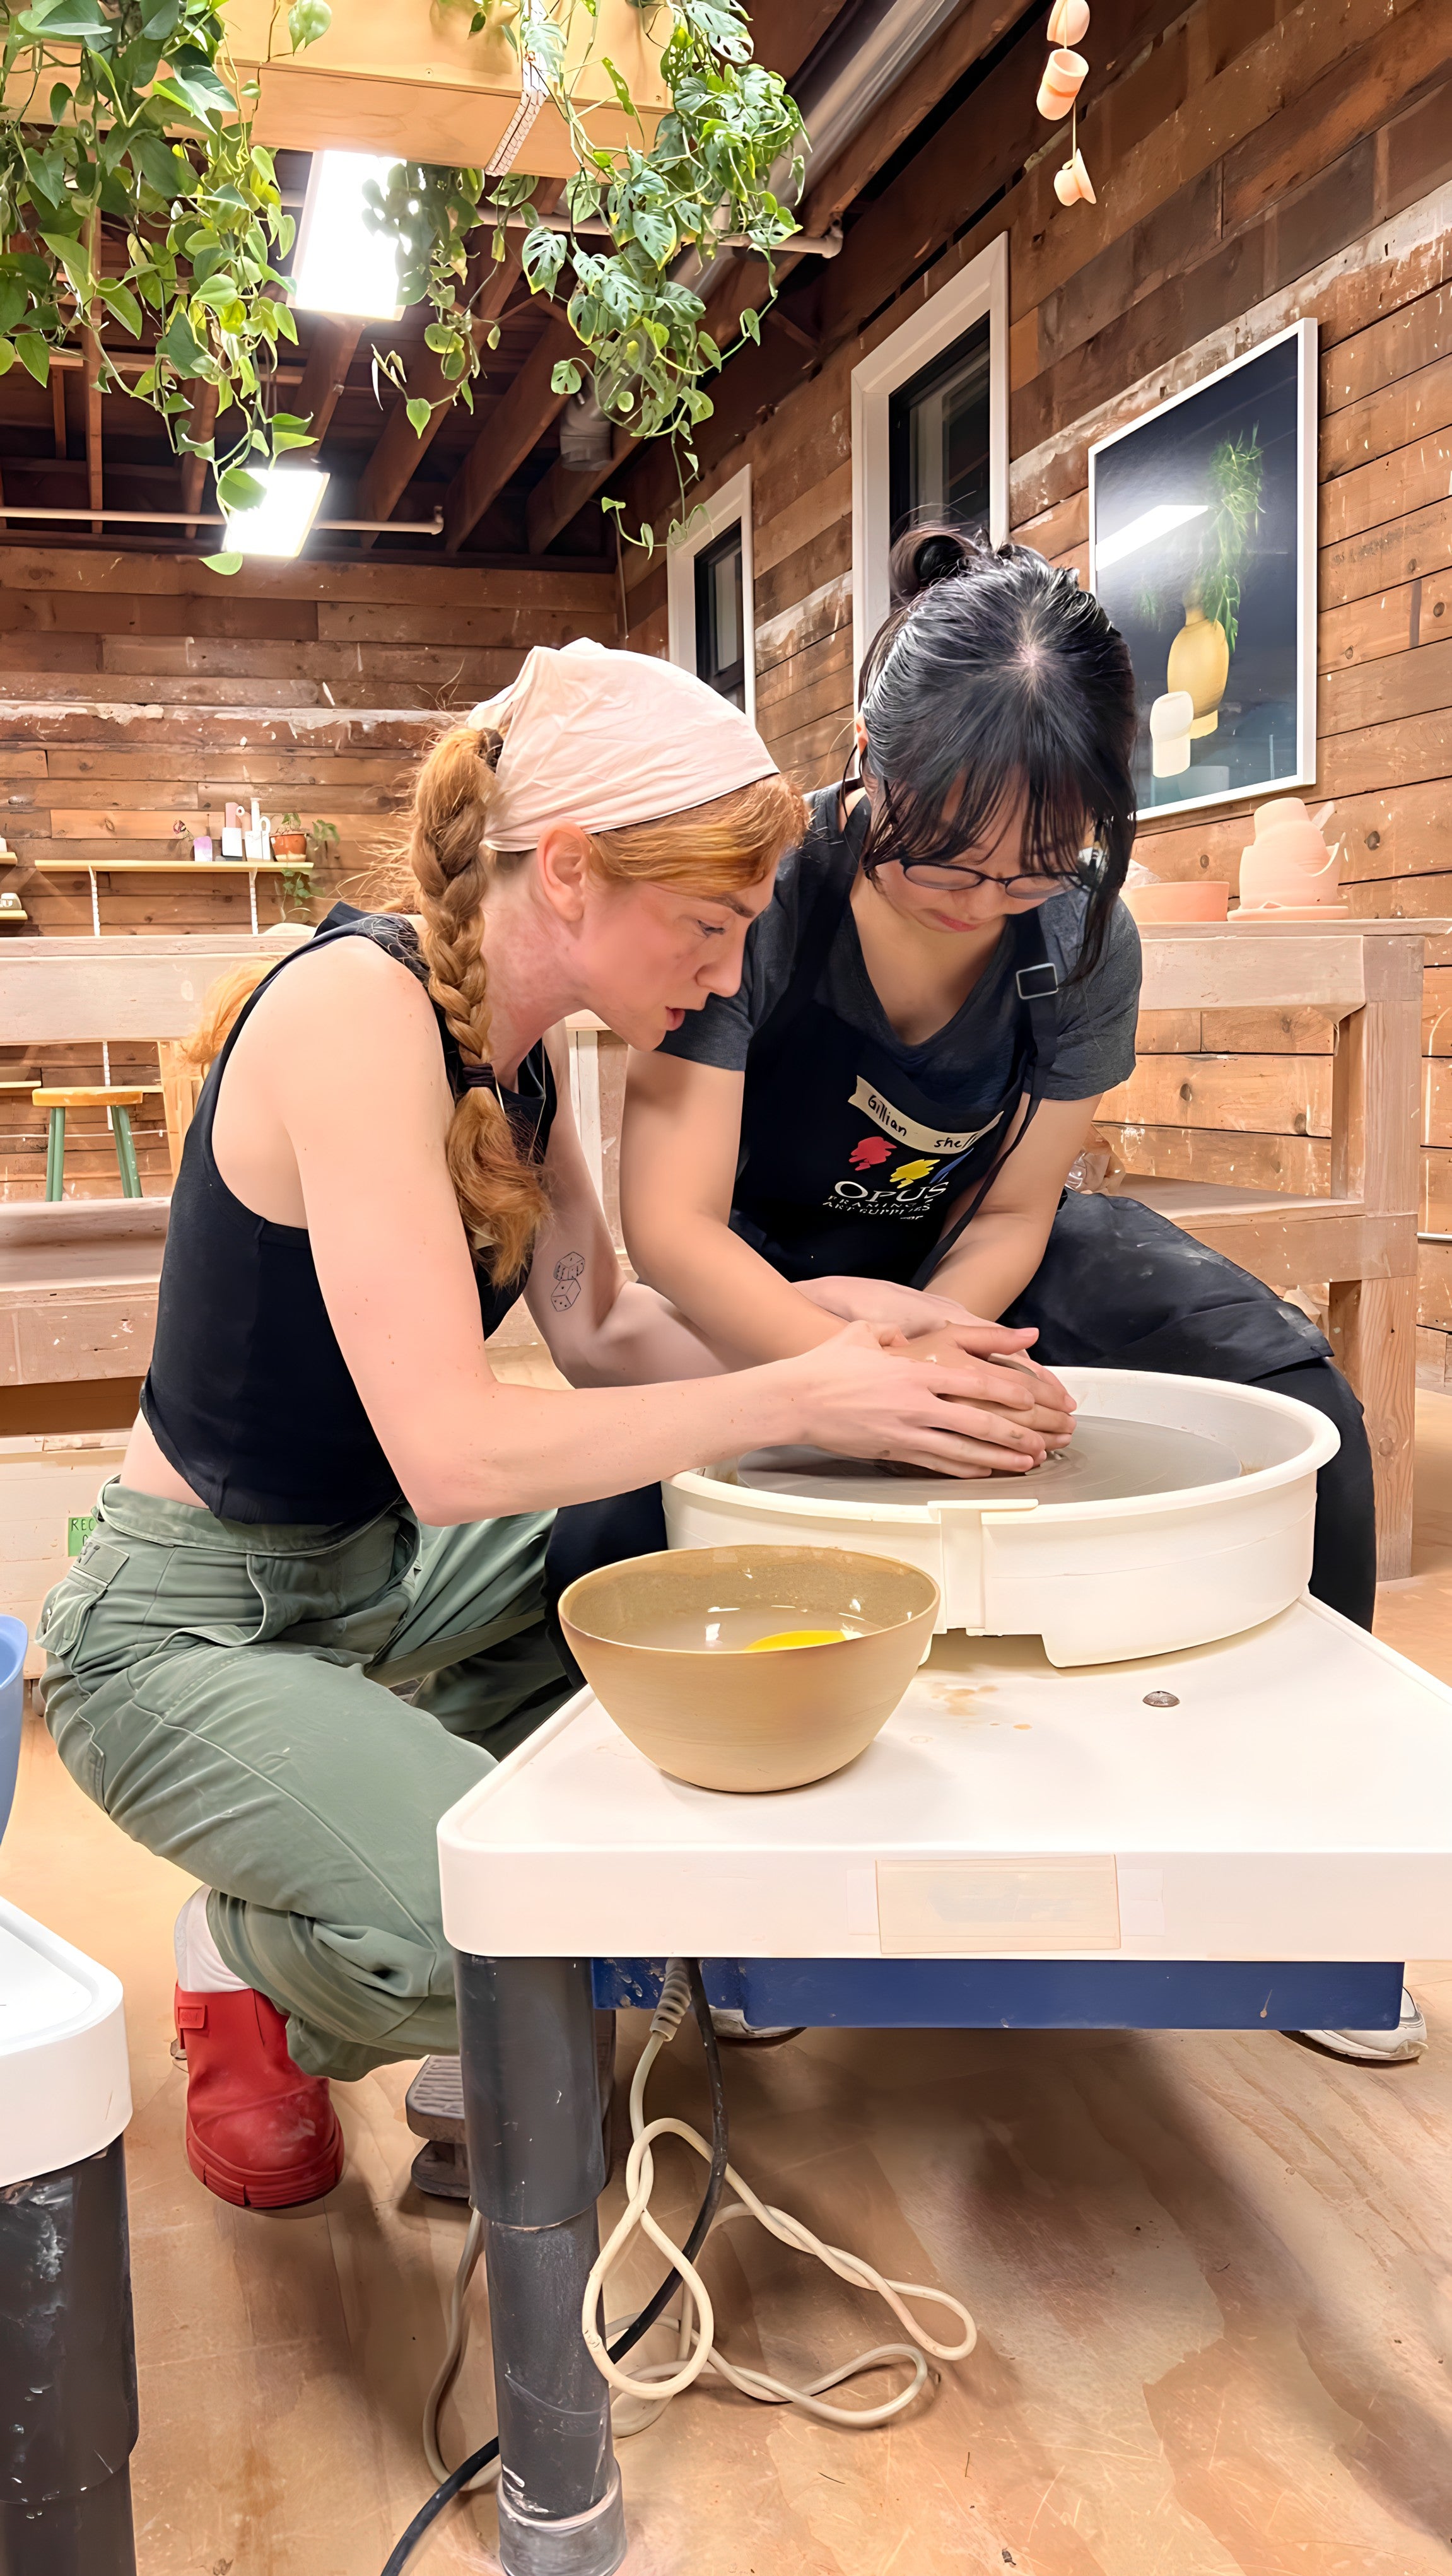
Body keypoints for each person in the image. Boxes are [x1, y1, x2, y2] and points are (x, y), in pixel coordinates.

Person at [38, 640, 1087, 2211]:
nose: (732, 975)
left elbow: (601, 1333)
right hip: (184, 1625)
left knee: (648, 1544)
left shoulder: (519, 1066)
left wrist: (855, 1324)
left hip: (373, 1572)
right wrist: (800, 1389)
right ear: (577, 871)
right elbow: (454, 1454)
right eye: (714, 925)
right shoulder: (350, 1009)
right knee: (505, 1933)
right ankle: (245, 1952)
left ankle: (368, 1814)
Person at [618, 527, 1422, 2070]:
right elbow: (671, 1227)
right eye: (944, 859)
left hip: (968, 1250)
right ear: (866, 763)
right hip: (756, 1254)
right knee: (639, 1510)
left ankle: (1307, 1901)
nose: (988, 898)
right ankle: (745, 1914)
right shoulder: (760, 901)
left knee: (1299, 1401)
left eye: (1036, 863)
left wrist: (946, 1338)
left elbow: (1013, 1201)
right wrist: (842, 1372)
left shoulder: (1080, 932)